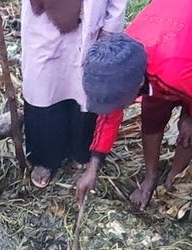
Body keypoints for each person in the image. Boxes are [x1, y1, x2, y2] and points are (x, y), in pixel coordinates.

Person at [74, 0, 192, 209]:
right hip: (178, 25)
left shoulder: (172, 72)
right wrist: (92, 168)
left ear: (138, 83)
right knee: (153, 112)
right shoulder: (118, 62)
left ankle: (174, 177)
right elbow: (109, 114)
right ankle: (151, 177)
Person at [21, 0, 128, 188]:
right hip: (43, 21)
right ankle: (45, 157)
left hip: (90, 18)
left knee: (82, 88)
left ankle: (80, 150)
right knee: (44, 87)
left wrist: (111, 24)